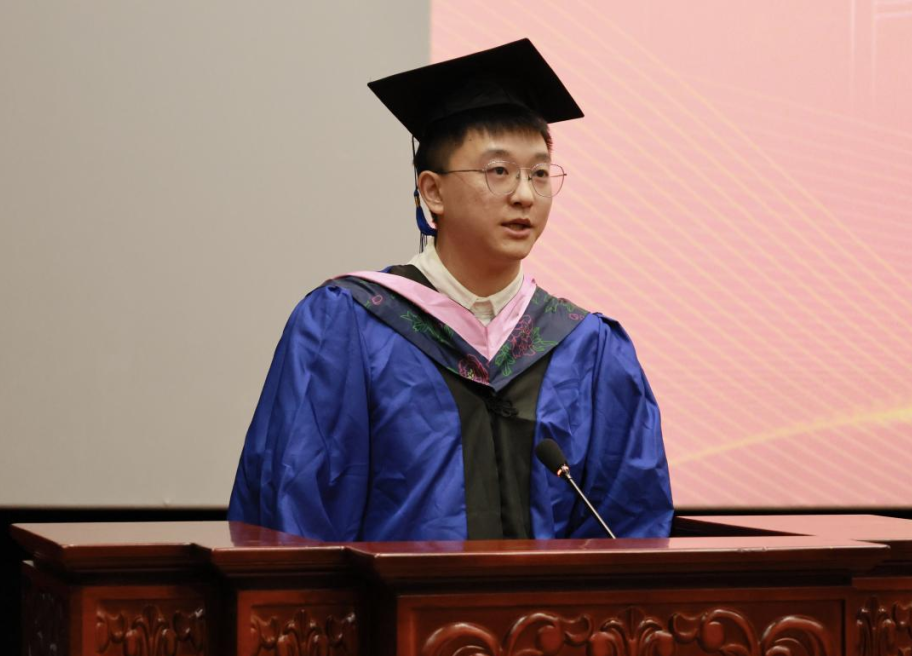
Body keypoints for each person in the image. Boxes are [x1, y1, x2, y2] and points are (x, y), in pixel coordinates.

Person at [228, 39, 673, 541]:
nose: (524, 194)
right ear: (432, 191)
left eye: (539, 173)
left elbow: (631, 527)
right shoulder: (347, 326)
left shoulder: (589, 347)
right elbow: (294, 511)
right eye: (499, 171)